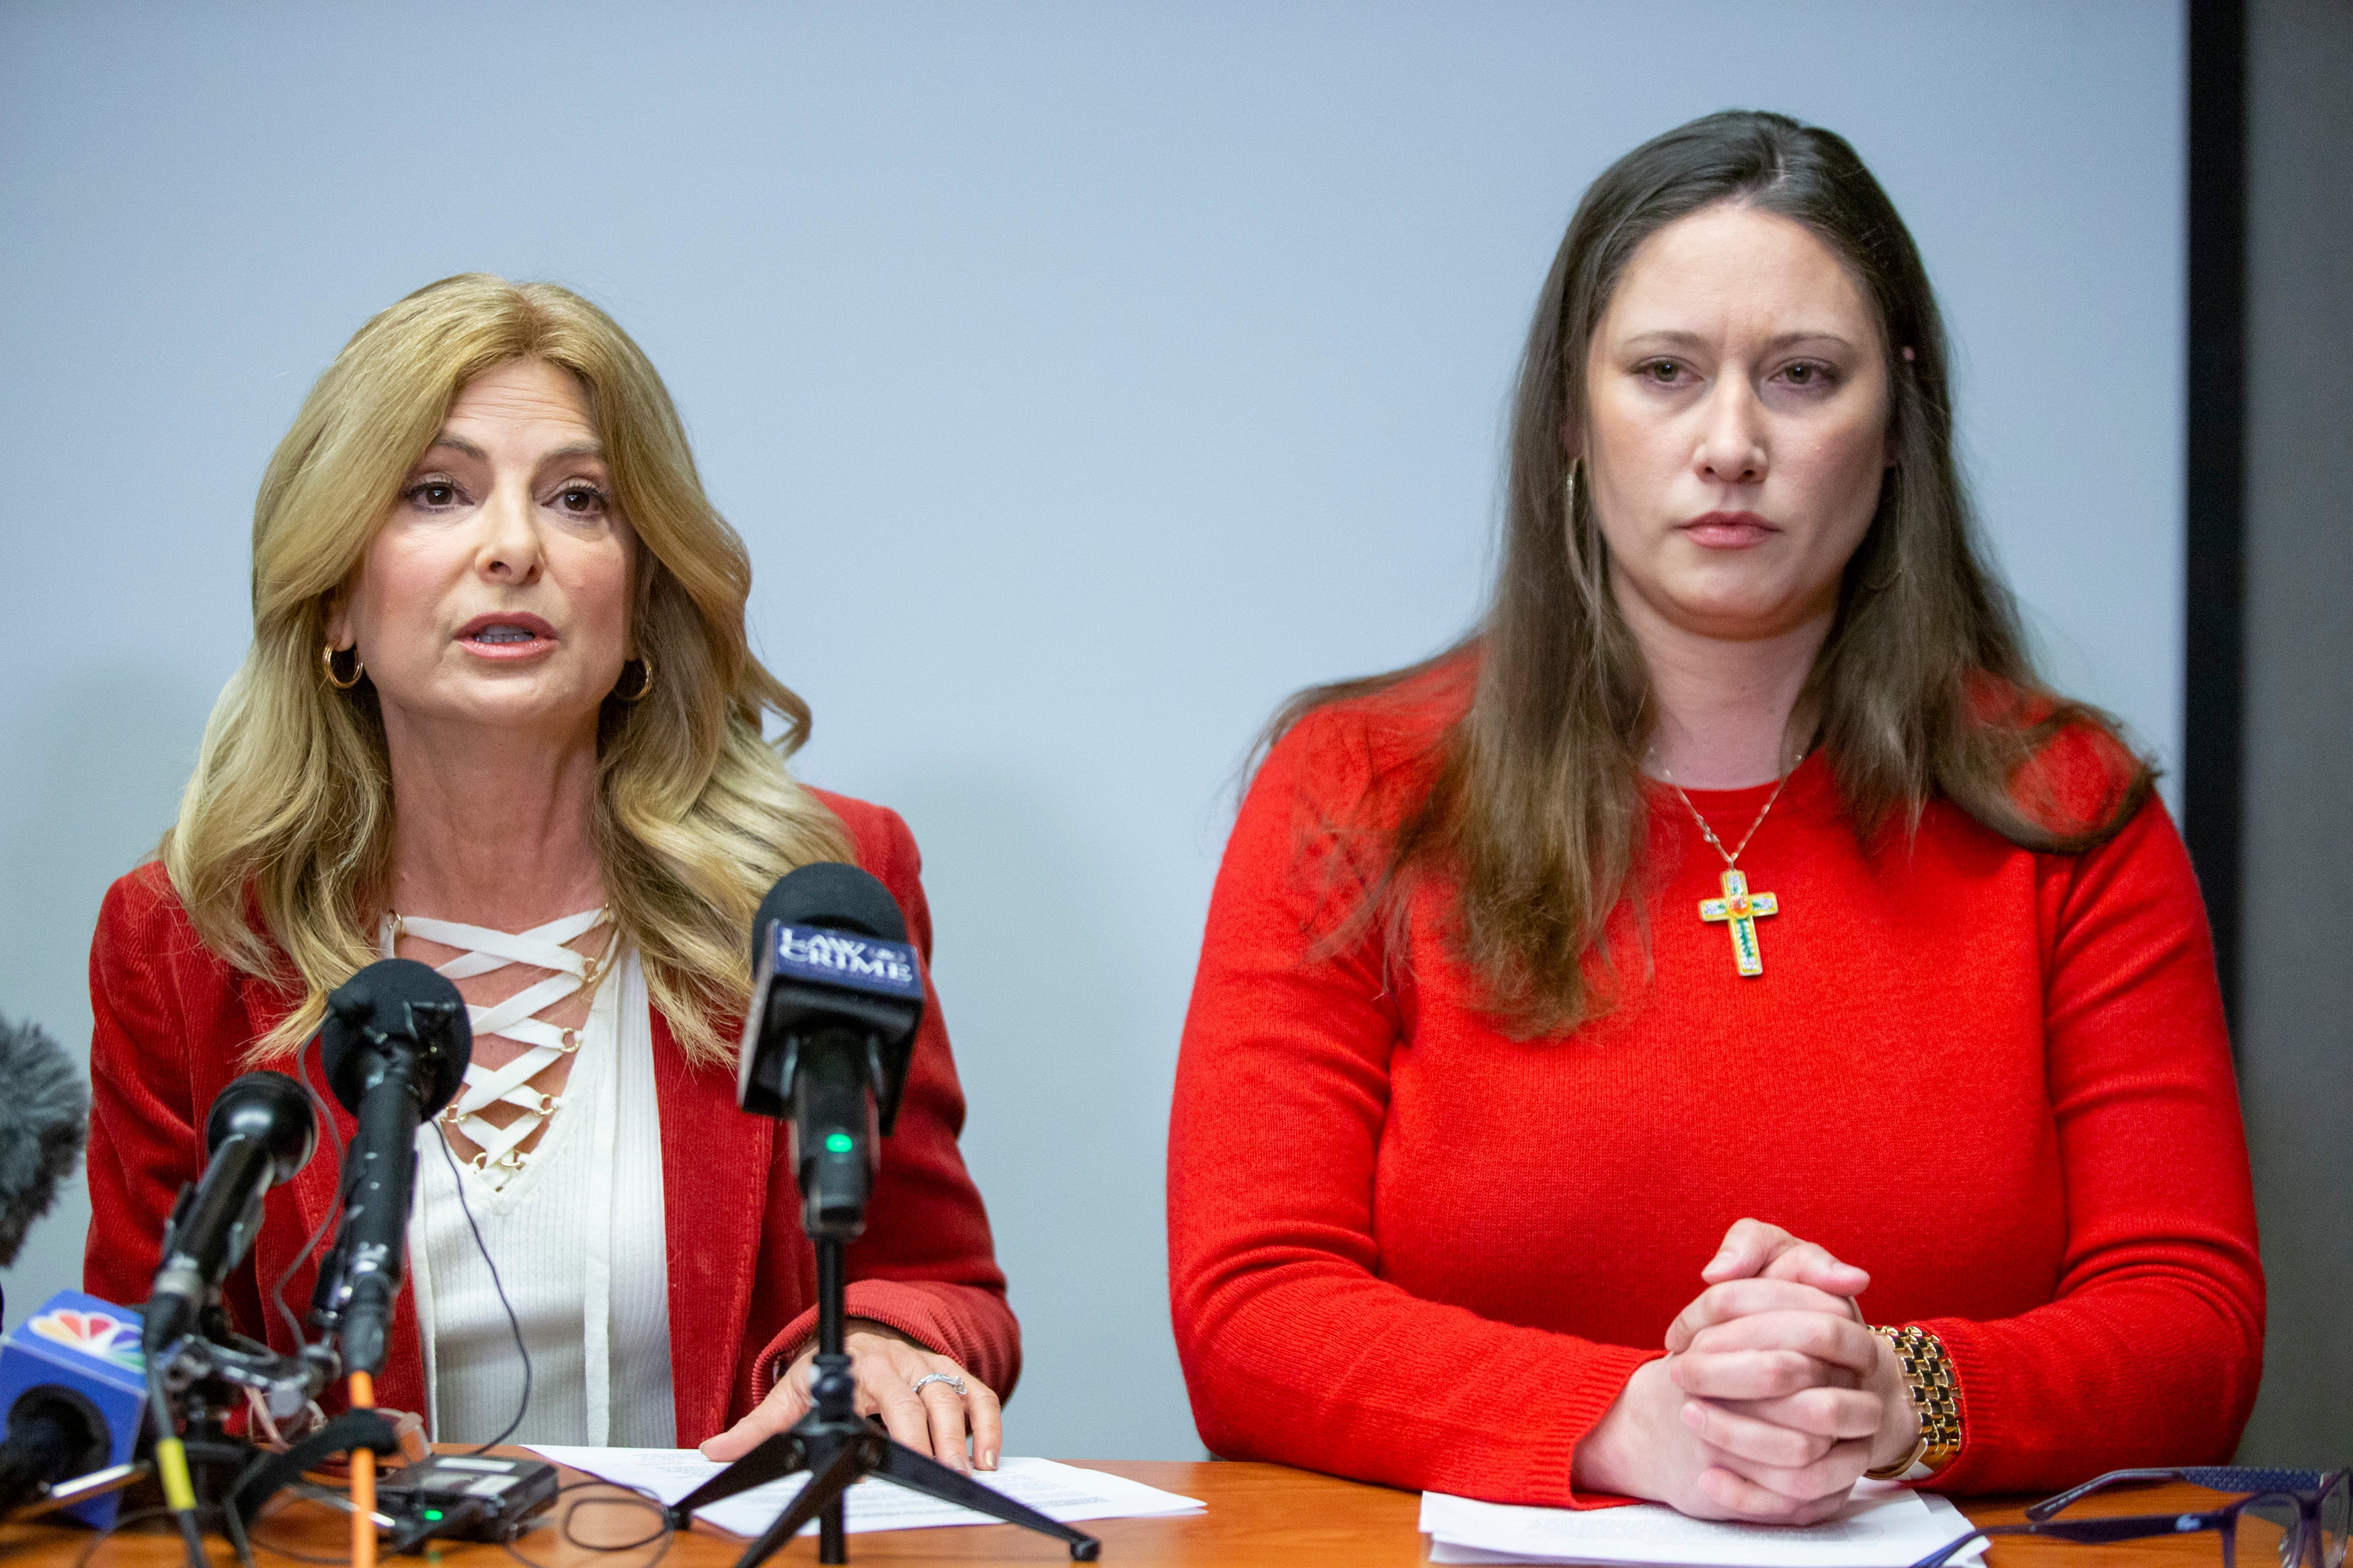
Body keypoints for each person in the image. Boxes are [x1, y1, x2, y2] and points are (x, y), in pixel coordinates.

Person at [1166, 111, 2262, 1521]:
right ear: (1573, 412)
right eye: (1665, 373)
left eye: (1803, 377)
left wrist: (1893, 1396)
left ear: (1897, 418)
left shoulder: (2068, 807)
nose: (1731, 443)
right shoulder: (1354, 785)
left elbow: (2191, 1321)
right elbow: (1250, 1307)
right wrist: (1626, 1424)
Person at [84, 274, 1013, 1471]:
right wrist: (265, 1435)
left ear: (638, 593)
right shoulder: (189, 938)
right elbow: (133, 1362)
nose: (514, 546)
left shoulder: (813, 884)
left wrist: (888, 1338)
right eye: (437, 491)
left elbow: (937, 1280)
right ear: (335, 602)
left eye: (579, 500)